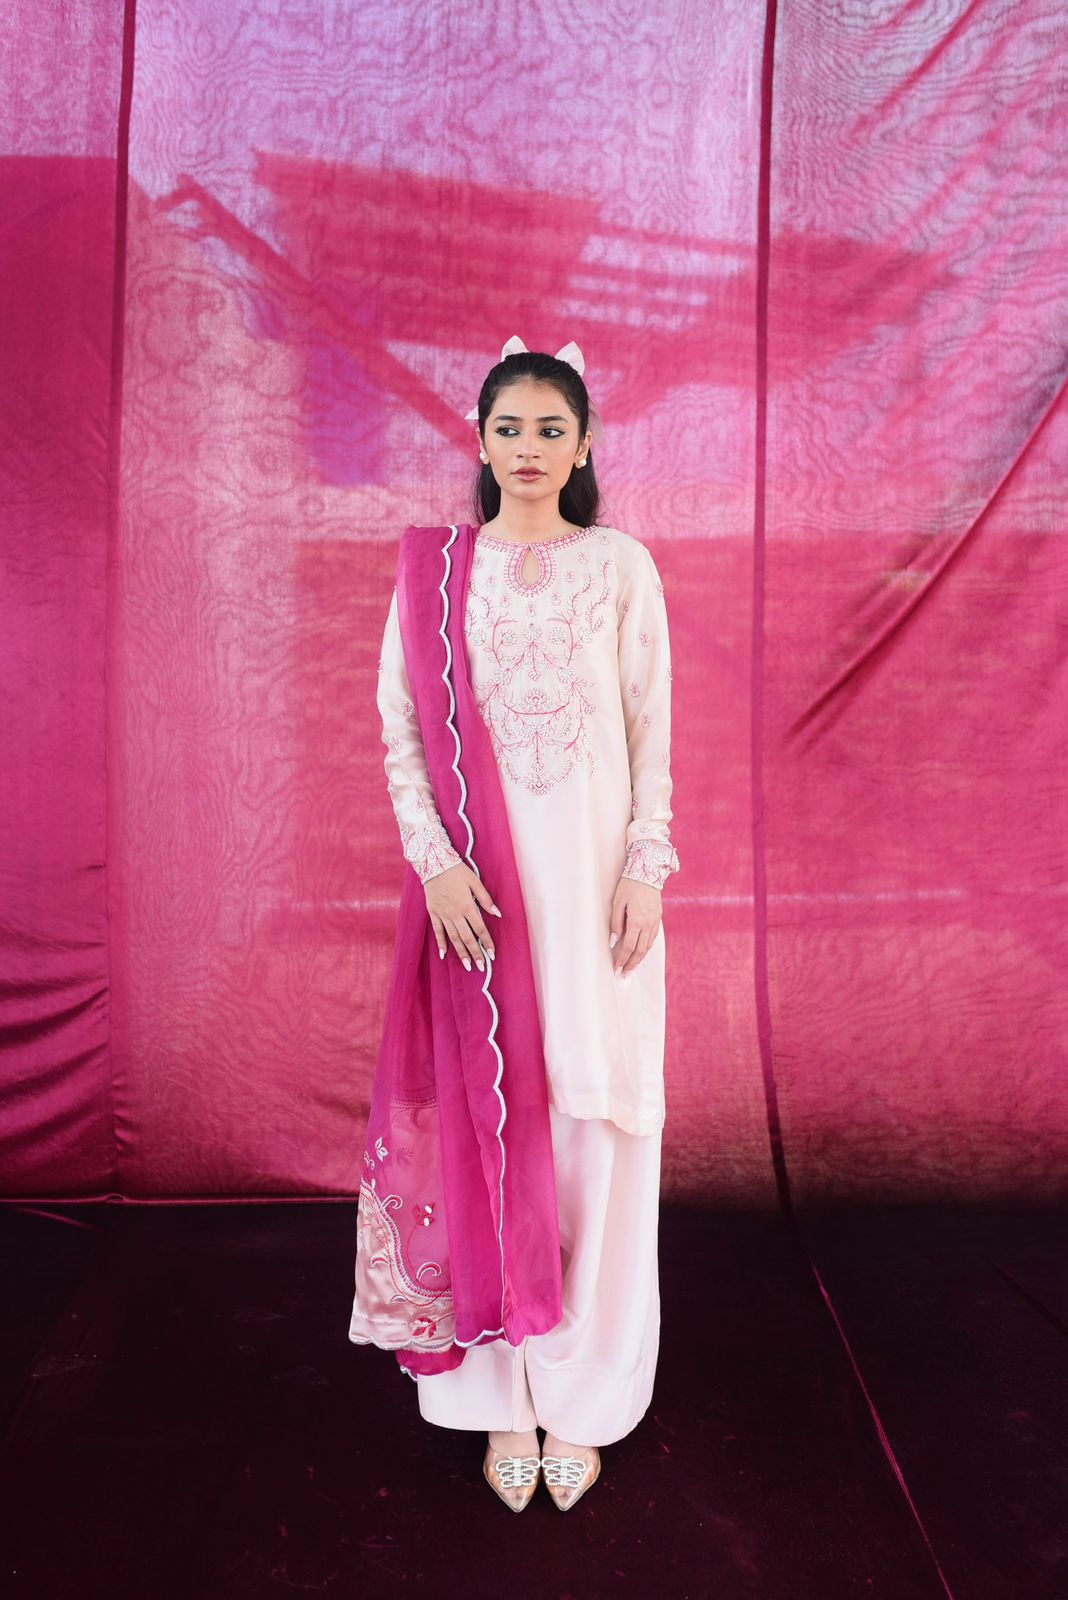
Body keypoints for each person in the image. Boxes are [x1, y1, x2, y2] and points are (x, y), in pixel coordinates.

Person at [349, 335, 680, 1512]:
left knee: (595, 1133)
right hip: (480, 908)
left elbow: (651, 726)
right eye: (509, 428)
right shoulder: (436, 577)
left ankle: (581, 1397)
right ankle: (500, 1399)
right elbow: (400, 730)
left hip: (596, 902)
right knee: (488, 1133)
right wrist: (437, 865)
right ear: (480, 442)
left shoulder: (621, 567)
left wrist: (646, 867)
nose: (529, 447)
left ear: (584, 446)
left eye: (551, 429)